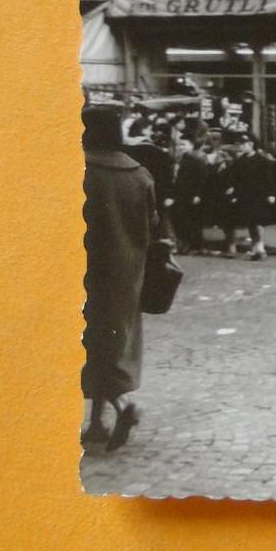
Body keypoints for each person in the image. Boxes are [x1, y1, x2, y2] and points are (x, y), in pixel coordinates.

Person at [81, 105, 157, 451]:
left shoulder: (82, 170)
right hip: (128, 273)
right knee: (112, 341)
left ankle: (121, 405)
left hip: (87, 270)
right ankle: (96, 422)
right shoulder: (139, 174)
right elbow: (151, 224)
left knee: (89, 346)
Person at [224, 135, 276, 260]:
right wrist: (232, 189)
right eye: (240, 144)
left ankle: (258, 248)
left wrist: (271, 194)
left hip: (258, 195)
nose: (241, 147)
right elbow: (234, 177)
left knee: (257, 221)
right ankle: (256, 248)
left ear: (251, 145)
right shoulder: (240, 161)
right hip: (244, 195)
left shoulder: (262, 160)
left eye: (244, 144)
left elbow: (268, 178)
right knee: (250, 222)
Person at [169, 137, 207, 255]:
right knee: (178, 219)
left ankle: (195, 245)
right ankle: (182, 243)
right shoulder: (174, 160)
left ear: (191, 146)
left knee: (191, 220)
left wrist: (198, 194)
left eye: (184, 145)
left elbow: (202, 179)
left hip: (190, 194)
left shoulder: (195, 161)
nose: (181, 147)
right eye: (179, 145)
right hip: (177, 195)